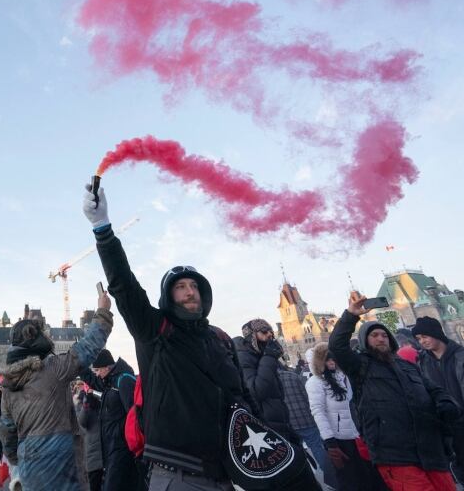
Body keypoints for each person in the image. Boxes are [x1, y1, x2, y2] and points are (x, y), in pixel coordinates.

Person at [82, 187, 317, 490]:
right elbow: (125, 287)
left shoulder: (218, 339)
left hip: (224, 472)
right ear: (168, 295)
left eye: (194, 285)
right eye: (180, 286)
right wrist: (102, 228)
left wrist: (277, 444)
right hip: (177, 472)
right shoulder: (155, 332)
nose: (189, 290)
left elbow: (242, 399)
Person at [329, 294, 461, 491]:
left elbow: (433, 389)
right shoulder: (360, 366)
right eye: (374, 336)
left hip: (429, 448)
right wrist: (351, 315)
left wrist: (446, 403)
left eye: (384, 335)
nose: (381, 338)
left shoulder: (406, 365)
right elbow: (336, 346)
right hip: (395, 454)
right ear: (365, 341)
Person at [0, 292, 114, 491]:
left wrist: (19, 460)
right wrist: (103, 311)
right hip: (61, 466)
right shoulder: (53, 369)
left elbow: (7, 434)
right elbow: (89, 347)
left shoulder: (8, 386)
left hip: (29, 467)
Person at [305, 342, 383, 491]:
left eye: (333, 359)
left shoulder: (343, 377)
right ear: (320, 362)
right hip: (339, 438)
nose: (332, 362)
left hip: (357, 434)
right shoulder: (315, 383)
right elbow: (318, 411)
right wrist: (330, 441)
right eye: (328, 359)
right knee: (349, 479)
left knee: (367, 474)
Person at [413, 316, 464, 486]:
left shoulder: (462, 356)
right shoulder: (423, 361)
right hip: (448, 428)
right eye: (419, 339)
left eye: (425, 336)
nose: (422, 341)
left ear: (436, 333)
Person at [81, 349, 139, 491]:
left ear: (107, 367)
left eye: (99, 370)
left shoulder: (123, 380)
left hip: (122, 447)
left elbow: (134, 414)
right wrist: (80, 363)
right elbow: (92, 380)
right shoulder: (110, 381)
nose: (97, 374)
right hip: (112, 447)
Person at [277, 363, 337, 489]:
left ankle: (308, 480)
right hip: (306, 419)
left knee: (297, 455)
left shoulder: (269, 381)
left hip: (289, 423)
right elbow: (306, 396)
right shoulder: (292, 376)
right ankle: (331, 478)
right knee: (317, 448)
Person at [236, 319, 298, 443]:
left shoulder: (261, 355)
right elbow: (257, 390)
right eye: (264, 331)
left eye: (271, 332)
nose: (269, 335)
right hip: (266, 426)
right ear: (252, 335)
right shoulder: (243, 357)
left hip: (281, 422)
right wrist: (269, 357)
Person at [75, 383, 103, 491]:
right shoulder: (83, 403)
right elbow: (82, 422)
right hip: (93, 453)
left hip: (103, 452)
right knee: (94, 484)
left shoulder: (102, 402)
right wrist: (86, 404)